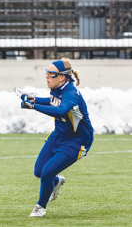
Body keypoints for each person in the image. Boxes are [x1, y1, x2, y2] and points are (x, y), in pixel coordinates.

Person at [20, 58, 93, 217]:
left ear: (62, 77)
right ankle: (56, 181)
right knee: (39, 172)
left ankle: (40, 208)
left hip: (77, 141)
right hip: (59, 135)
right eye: (46, 72)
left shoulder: (71, 92)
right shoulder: (57, 88)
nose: (46, 76)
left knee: (46, 173)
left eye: (51, 74)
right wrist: (34, 99)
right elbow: (53, 101)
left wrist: (33, 106)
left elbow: (61, 110)